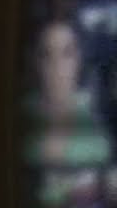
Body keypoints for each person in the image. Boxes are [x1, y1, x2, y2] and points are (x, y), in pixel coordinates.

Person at [24, 15, 112, 167]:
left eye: (67, 53)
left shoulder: (96, 127)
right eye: (46, 54)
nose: (57, 66)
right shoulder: (17, 115)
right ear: (35, 61)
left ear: (79, 59)